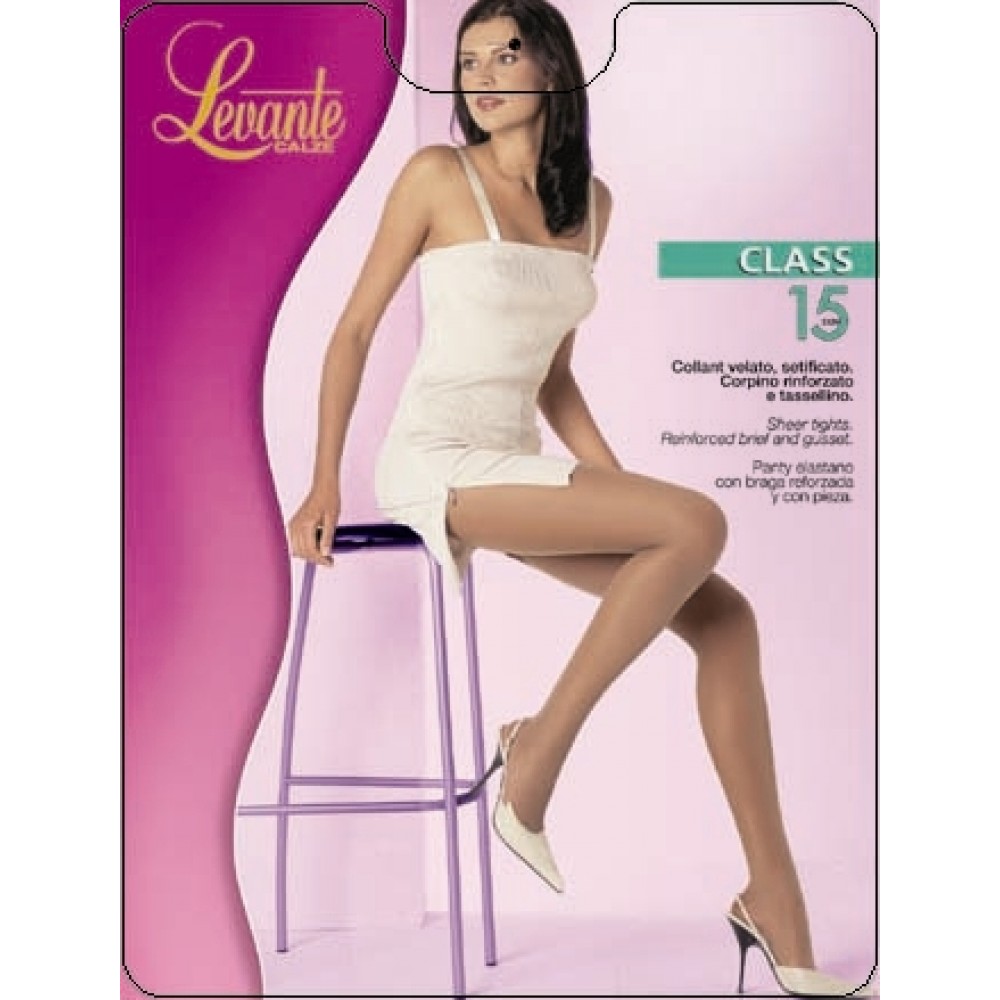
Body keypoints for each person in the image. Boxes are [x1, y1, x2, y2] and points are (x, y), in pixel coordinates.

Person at [287, 1, 871, 995]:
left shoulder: (591, 206)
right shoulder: (437, 175)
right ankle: (537, 757)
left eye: (504, 54)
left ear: (553, 67)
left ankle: (774, 896)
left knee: (726, 618)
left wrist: (614, 483)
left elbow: (552, 377)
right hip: (439, 461)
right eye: (468, 59)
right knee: (697, 522)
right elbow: (352, 330)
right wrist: (322, 479)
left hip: (518, 465)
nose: (480, 75)